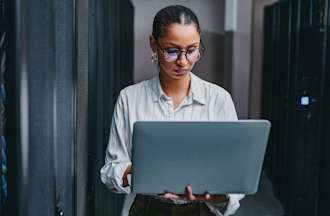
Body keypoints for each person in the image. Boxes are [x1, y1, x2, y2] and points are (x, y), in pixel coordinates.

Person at [100, 5, 245, 216]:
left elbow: (235, 173)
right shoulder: (130, 98)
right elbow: (110, 170)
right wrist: (135, 171)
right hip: (148, 209)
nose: (183, 61)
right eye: (172, 51)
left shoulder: (218, 99)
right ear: (153, 44)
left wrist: (218, 196)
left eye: (192, 50)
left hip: (201, 210)